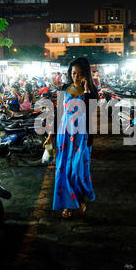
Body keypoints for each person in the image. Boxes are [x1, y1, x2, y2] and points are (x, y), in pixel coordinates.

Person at [42, 57, 98, 218]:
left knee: (77, 171)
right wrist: (50, 135)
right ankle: (68, 204)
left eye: (80, 74)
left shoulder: (91, 92)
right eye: (74, 73)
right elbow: (58, 114)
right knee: (64, 171)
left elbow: (91, 110)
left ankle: (80, 200)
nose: (76, 77)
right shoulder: (65, 89)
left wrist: (87, 88)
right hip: (64, 136)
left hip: (82, 137)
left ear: (85, 75)